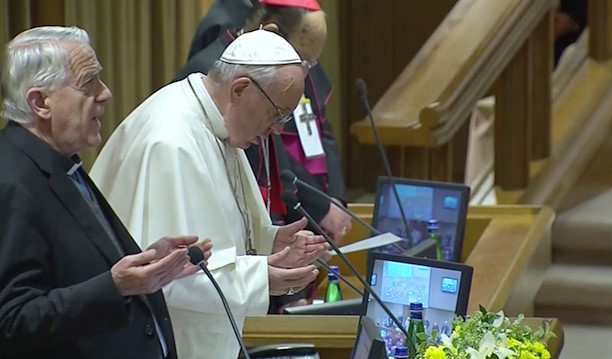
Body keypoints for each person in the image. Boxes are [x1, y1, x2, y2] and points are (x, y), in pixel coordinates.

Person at [90, 29, 328, 359]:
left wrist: (267, 240)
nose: (279, 129)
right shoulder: (171, 141)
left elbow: (215, 234)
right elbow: (168, 276)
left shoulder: (217, 125)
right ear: (241, 89)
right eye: (277, 113)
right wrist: (264, 279)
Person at [0, 26, 211, 359]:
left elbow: (76, 268)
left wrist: (149, 264)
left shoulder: (61, 163)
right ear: (40, 102)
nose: (106, 94)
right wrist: (117, 286)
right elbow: (11, 320)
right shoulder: (10, 180)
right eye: (88, 83)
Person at [175, 0, 352, 244]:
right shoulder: (216, 72)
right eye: (303, 61)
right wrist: (318, 206)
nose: (306, 72)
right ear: (271, 33)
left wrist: (334, 197)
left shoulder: (286, 63)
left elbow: (323, 129)